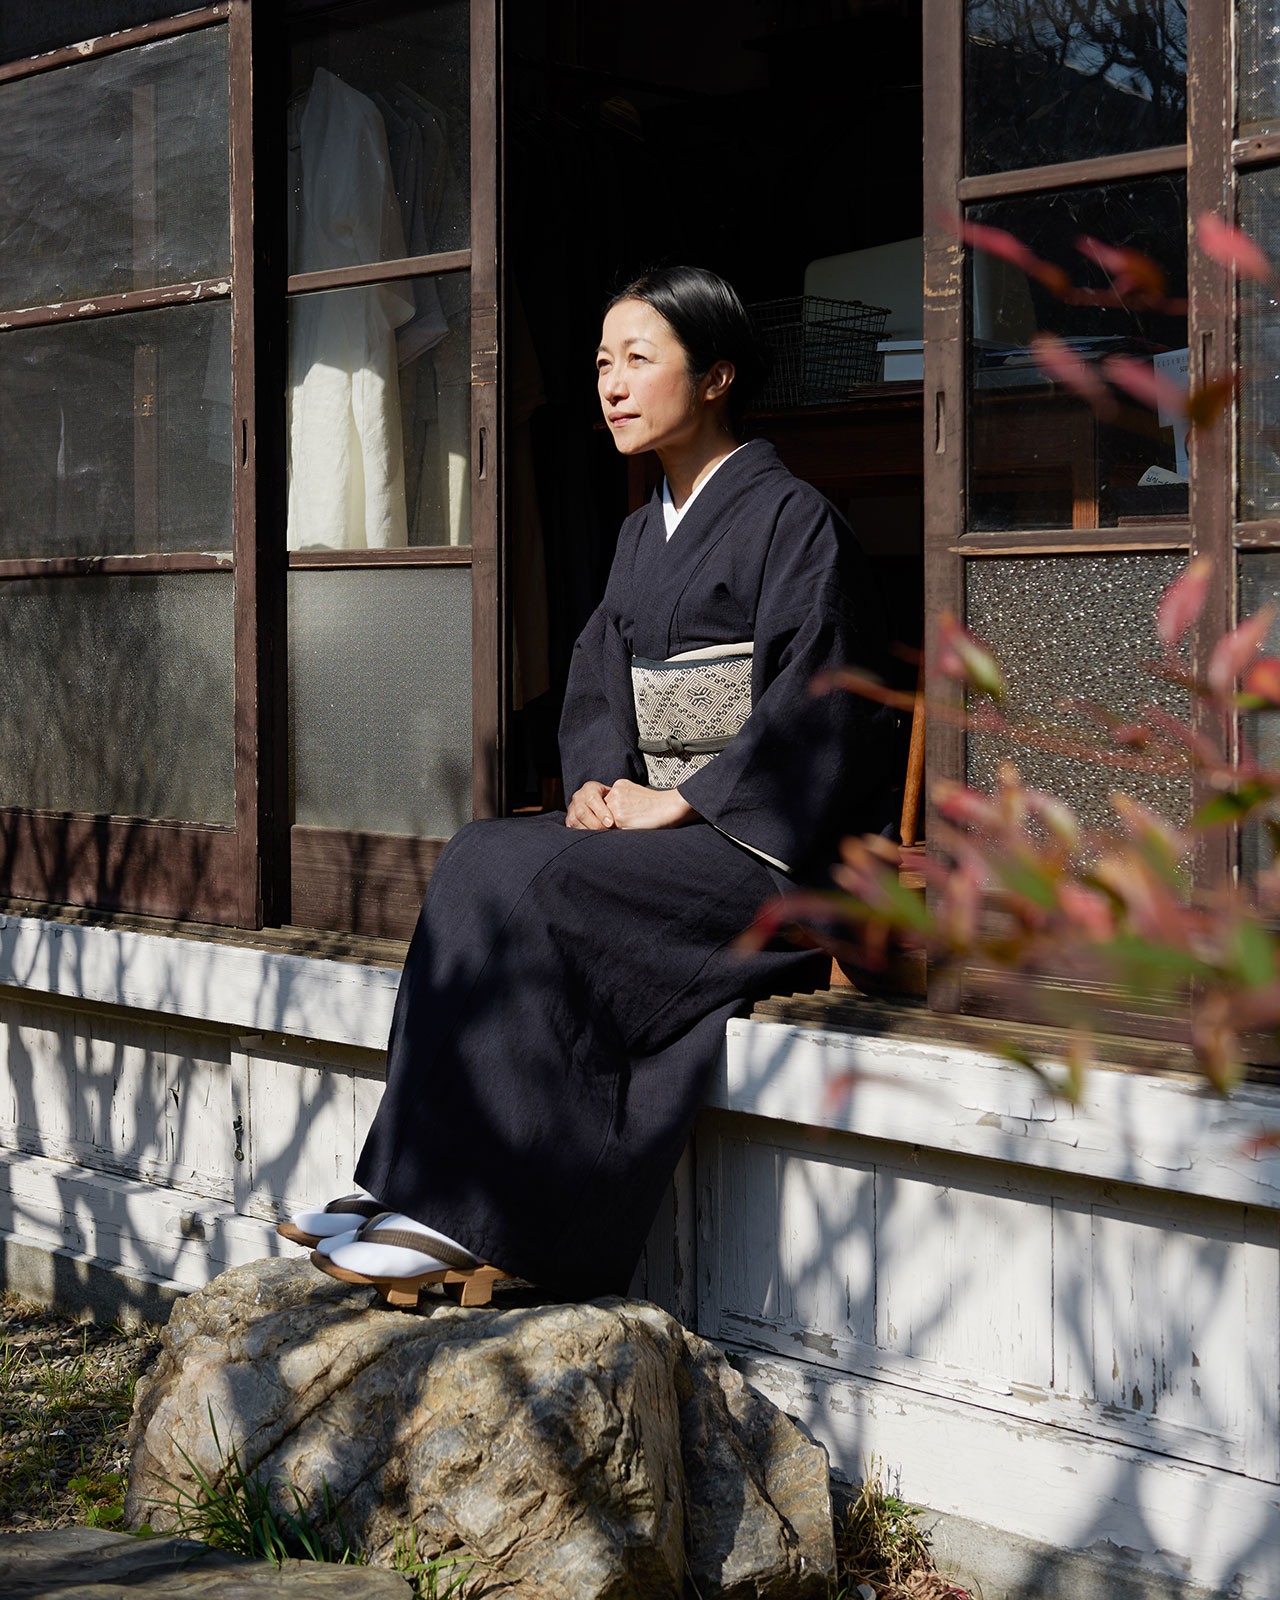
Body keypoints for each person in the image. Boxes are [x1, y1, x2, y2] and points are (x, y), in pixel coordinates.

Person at [281, 265, 896, 1305]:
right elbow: (598, 675)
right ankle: (414, 1184)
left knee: (535, 886)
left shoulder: (795, 520)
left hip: (757, 843)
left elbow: (817, 700)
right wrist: (606, 779)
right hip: (665, 826)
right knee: (480, 849)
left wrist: (687, 798)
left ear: (716, 376)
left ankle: (468, 1207)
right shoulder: (634, 530)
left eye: (638, 359)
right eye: (602, 363)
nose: (611, 384)